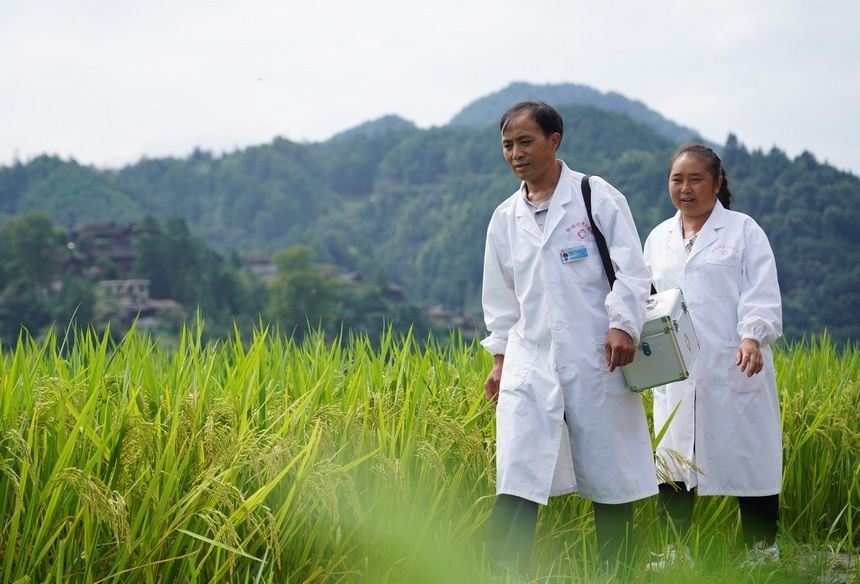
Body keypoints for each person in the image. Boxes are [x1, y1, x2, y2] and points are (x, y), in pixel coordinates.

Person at [481, 100, 658, 578]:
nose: (516, 153)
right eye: (507, 145)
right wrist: (499, 360)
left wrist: (622, 323)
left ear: (554, 141)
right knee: (517, 470)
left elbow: (632, 270)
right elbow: (501, 301)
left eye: (525, 142)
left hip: (596, 356)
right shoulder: (505, 217)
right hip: (529, 361)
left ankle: (616, 571)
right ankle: (503, 571)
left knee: (609, 473)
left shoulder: (593, 195)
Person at [643, 143, 783, 568]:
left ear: (717, 183)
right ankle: (674, 551)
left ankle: (762, 552)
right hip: (677, 369)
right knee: (675, 456)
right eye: (677, 179)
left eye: (695, 179)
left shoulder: (743, 231)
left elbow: (760, 292)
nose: (685, 188)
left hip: (733, 363)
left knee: (749, 455)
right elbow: (647, 299)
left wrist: (752, 338)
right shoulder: (659, 238)